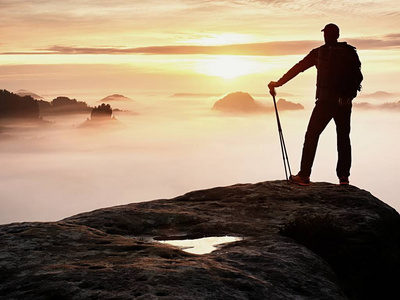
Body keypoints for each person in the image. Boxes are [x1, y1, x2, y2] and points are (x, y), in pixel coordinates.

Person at [269, 23, 362, 186]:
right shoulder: (350, 52)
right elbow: (359, 77)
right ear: (338, 35)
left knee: (312, 135)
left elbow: (298, 68)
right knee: (343, 137)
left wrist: (279, 83)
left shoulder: (319, 53)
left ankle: (304, 175)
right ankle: (344, 177)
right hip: (345, 103)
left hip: (325, 102)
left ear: (325, 35)